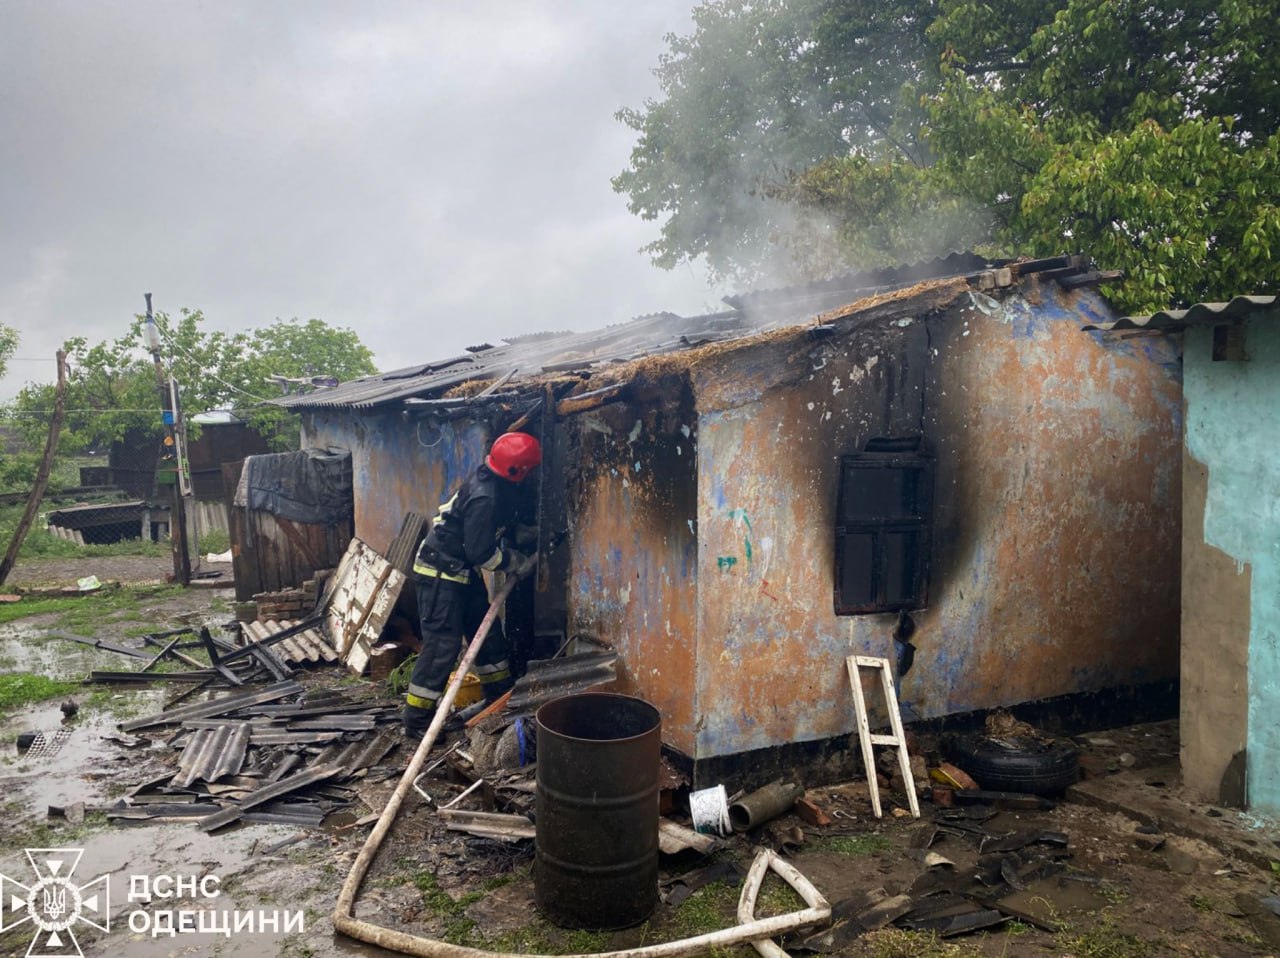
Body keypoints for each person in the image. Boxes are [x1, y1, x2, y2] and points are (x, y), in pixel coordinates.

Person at [402, 431, 542, 741]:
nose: (534, 476)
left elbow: (495, 530)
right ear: (517, 470)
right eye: (531, 470)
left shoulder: (500, 485)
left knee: (488, 637)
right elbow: (481, 552)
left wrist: (527, 534)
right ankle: (417, 720)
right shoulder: (485, 497)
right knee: (443, 646)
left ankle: (499, 698)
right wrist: (513, 561)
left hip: (462, 573)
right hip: (440, 575)